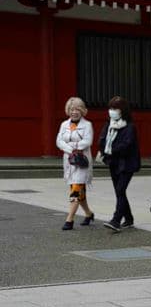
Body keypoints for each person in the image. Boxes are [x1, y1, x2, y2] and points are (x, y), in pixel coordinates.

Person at [98, 96, 140, 232]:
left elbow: (126, 145)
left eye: (115, 108)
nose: (112, 111)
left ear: (122, 110)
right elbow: (102, 140)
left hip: (127, 163)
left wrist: (110, 150)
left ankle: (116, 220)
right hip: (113, 162)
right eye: (110, 108)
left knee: (121, 190)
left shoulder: (129, 127)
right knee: (119, 191)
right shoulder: (109, 125)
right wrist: (106, 149)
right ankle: (129, 219)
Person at [56, 97, 95, 230]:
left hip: (82, 161)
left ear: (83, 110)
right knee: (78, 191)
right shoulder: (64, 125)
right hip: (69, 160)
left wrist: (72, 147)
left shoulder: (87, 125)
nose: (74, 112)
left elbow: (87, 141)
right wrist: (69, 149)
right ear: (68, 110)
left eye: (78, 109)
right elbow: (59, 141)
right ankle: (89, 214)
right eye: (72, 109)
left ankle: (69, 219)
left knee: (76, 190)